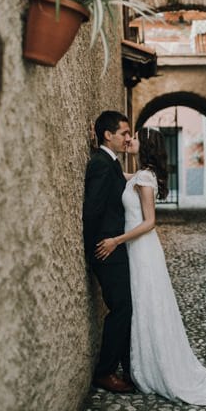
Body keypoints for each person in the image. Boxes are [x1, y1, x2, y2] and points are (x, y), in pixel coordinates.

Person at [95, 127, 206, 405]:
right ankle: (140, 362)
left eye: (134, 137)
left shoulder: (145, 178)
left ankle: (156, 367)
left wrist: (115, 240)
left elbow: (149, 222)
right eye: (126, 135)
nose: (129, 140)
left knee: (148, 304)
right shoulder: (138, 175)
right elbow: (114, 174)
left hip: (141, 249)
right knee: (141, 305)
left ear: (144, 145)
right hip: (134, 250)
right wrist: (99, 144)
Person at [83, 110, 136, 394]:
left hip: (116, 245)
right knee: (122, 307)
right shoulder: (101, 164)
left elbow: (132, 179)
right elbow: (92, 210)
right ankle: (105, 372)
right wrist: (96, 248)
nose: (128, 138)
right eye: (124, 133)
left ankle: (125, 366)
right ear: (108, 135)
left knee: (125, 306)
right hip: (107, 248)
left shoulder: (111, 162)